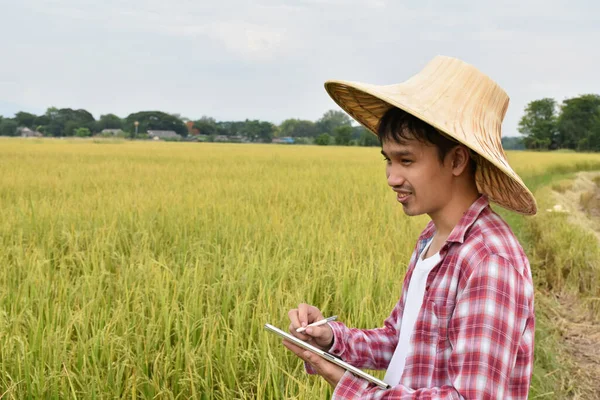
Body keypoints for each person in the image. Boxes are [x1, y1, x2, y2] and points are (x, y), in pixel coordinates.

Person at [283, 56, 537, 399]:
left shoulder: (489, 261)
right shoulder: (431, 239)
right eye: (388, 160)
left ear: (457, 160)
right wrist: (330, 337)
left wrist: (351, 389)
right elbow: (400, 340)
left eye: (406, 160)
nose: (392, 178)